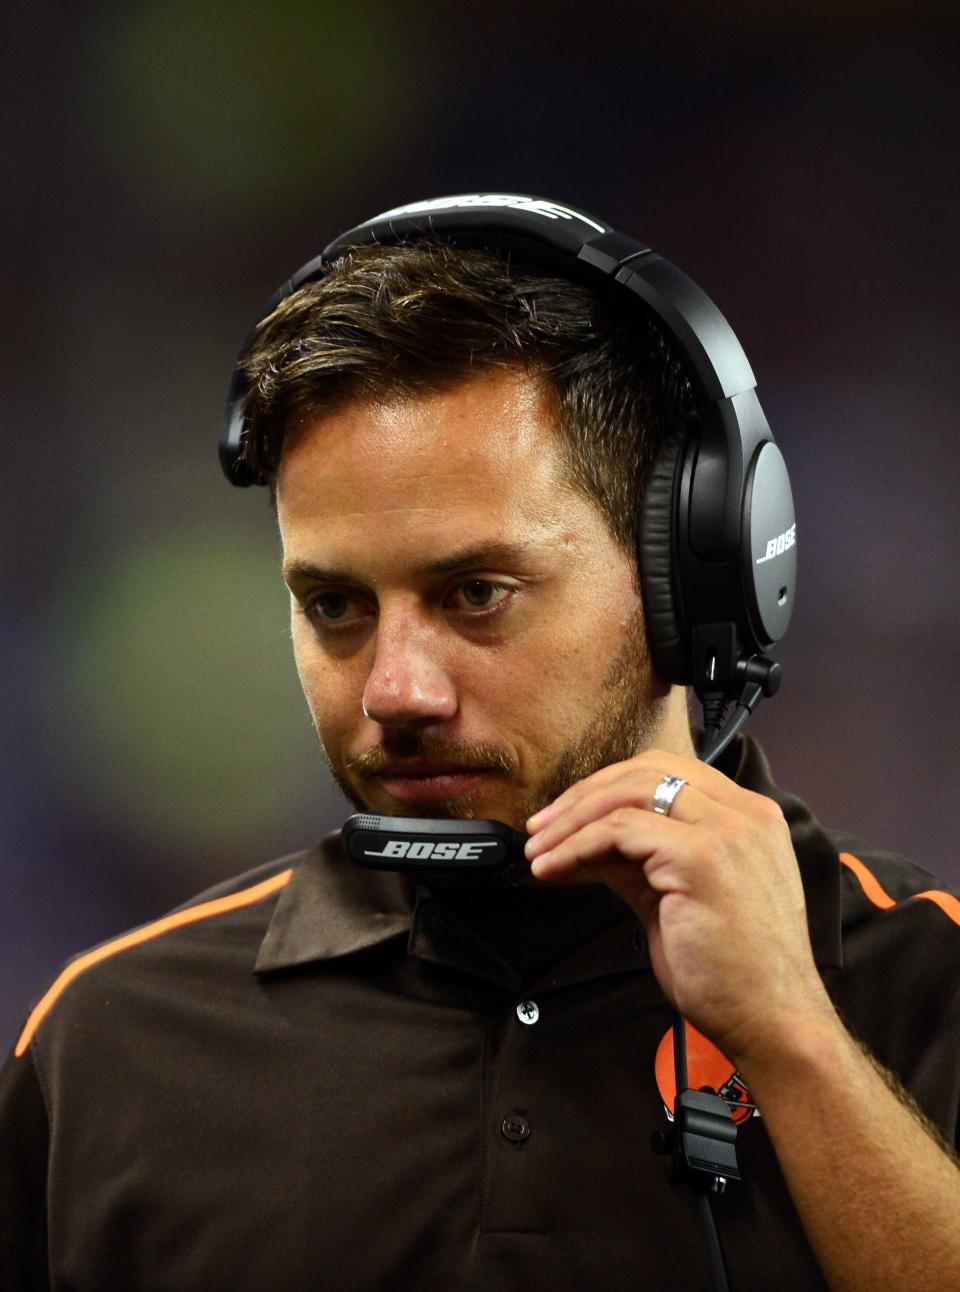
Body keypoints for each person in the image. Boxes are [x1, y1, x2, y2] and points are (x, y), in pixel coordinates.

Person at [2, 196, 959, 1292]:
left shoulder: (930, 984)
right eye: (335, 606)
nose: (397, 689)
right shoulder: (109, 1046)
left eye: (477, 593)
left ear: (689, 579)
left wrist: (796, 1042)